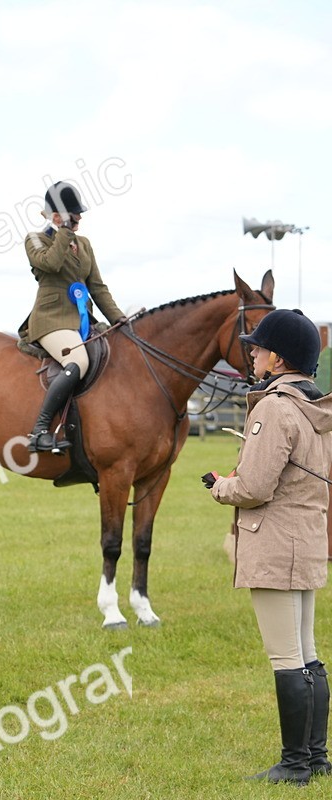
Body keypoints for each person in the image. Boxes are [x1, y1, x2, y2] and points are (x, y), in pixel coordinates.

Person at [206, 308, 332, 786]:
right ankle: (315, 757)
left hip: (276, 542)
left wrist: (220, 486)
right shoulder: (317, 408)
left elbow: (254, 487)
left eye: (258, 348)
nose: (253, 355)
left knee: (287, 658)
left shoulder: (275, 408)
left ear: (278, 359)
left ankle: (295, 764)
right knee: (307, 653)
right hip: (307, 538)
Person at [19, 181, 127, 453]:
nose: (79, 218)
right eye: (73, 214)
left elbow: (97, 287)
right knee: (78, 360)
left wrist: (119, 320)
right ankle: (39, 430)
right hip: (51, 320)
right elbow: (51, 263)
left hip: (82, 320)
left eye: (78, 214)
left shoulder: (84, 244)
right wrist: (64, 233)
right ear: (56, 216)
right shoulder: (35, 239)